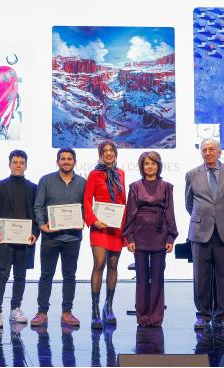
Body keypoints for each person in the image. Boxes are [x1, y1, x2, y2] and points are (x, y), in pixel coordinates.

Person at [185, 138, 224, 331]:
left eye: (211, 149)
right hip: (200, 231)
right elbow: (189, 204)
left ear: (219, 152)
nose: (207, 153)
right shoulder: (192, 174)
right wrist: (204, 217)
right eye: (204, 150)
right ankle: (203, 315)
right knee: (201, 276)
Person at [31, 148, 87, 327]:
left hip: (73, 237)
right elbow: (38, 205)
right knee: (46, 274)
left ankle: (67, 312)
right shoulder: (46, 180)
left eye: (69, 159)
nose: (66, 161)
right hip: (51, 237)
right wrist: (42, 225)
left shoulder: (83, 183)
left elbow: (86, 207)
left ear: (75, 162)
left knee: (69, 275)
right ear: (57, 162)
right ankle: (42, 312)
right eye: (63, 159)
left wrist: (83, 220)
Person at [122, 151, 177, 327]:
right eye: (146, 163)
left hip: (160, 235)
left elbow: (170, 213)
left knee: (158, 277)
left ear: (158, 165)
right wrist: (129, 237)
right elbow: (130, 213)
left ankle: (156, 316)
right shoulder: (135, 187)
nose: (150, 166)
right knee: (142, 278)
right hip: (139, 236)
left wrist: (171, 237)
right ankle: (142, 316)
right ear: (142, 166)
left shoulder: (166, 187)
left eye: (153, 163)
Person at [0, 150, 39, 327]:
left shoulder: (33, 188)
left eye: (21, 162)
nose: (18, 165)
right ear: (9, 164)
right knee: (1, 275)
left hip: (25, 240)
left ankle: (15, 309)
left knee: (20, 275)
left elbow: (37, 213)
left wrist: (35, 233)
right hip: (3, 239)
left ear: (26, 165)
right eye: (15, 162)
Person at [83, 140, 127, 328]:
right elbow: (86, 201)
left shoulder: (121, 173)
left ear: (115, 154)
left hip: (116, 228)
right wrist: (94, 221)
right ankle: (94, 309)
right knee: (99, 264)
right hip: (99, 227)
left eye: (111, 150)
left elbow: (123, 200)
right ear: (100, 154)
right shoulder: (94, 174)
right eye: (105, 151)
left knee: (113, 265)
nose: (108, 153)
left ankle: (108, 306)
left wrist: (126, 227)